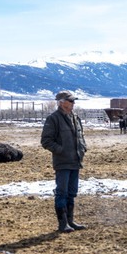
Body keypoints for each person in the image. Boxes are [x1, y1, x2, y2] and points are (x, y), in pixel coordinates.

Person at [41, 90, 88, 233]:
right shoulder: (53, 119)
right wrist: (61, 150)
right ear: (62, 103)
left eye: (73, 101)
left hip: (75, 160)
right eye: (71, 101)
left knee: (72, 192)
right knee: (62, 192)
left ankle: (70, 221)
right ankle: (62, 224)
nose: (73, 103)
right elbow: (46, 141)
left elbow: (80, 136)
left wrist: (83, 147)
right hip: (62, 162)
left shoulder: (75, 117)